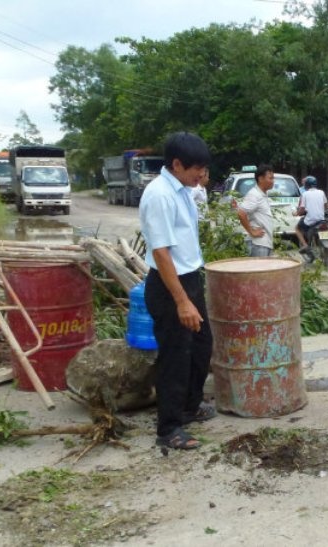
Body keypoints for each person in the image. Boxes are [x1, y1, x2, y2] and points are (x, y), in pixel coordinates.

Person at [139, 132, 215, 450]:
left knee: (201, 346)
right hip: (170, 285)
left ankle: (188, 407)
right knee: (176, 356)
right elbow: (161, 252)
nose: (202, 175)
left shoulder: (183, 190)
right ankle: (168, 428)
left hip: (189, 278)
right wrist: (182, 301)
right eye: (196, 168)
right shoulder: (159, 195)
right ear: (177, 164)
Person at [237, 164, 275, 257]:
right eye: (270, 178)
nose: (273, 181)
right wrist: (252, 232)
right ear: (261, 179)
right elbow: (241, 213)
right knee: (259, 271)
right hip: (259, 245)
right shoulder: (254, 194)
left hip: (264, 244)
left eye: (273, 178)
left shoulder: (262, 194)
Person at [294, 175, 328, 252]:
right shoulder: (321, 192)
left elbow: (302, 209)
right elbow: (325, 206)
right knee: (325, 228)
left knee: (297, 228)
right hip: (321, 220)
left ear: (306, 185)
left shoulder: (305, 194)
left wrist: (297, 213)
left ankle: (305, 245)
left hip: (311, 221)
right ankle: (327, 244)